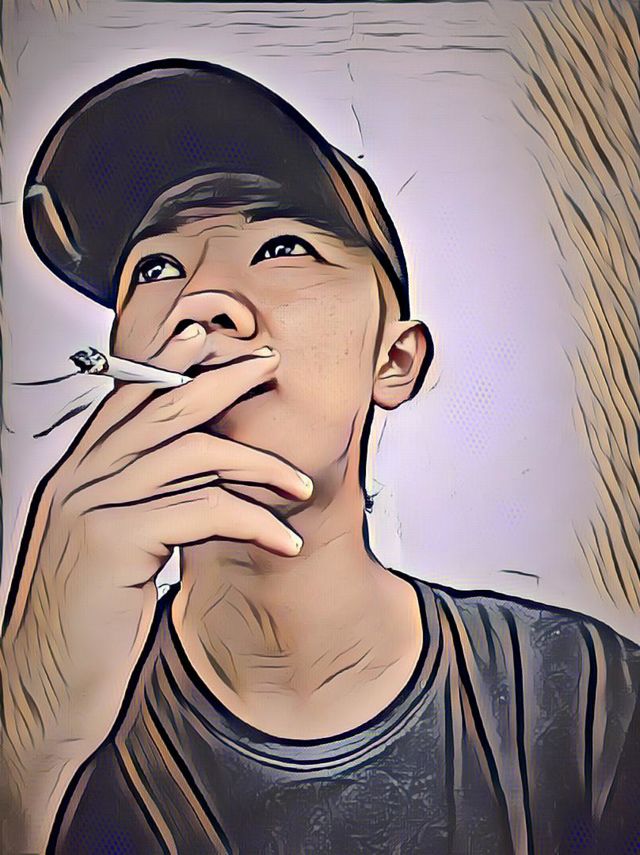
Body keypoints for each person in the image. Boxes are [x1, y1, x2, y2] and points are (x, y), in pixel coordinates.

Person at [1, 59, 638, 855]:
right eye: (155, 268)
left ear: (394, 360)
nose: (201, 303)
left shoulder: (586, 703)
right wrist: (28, 729)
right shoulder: (53, 732)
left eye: (283, 247)